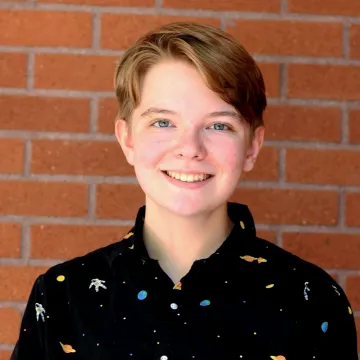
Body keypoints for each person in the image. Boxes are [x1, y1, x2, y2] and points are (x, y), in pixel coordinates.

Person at [11, 22, 358, 360]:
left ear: (252, 147)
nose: (190, 148)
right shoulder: (61, 297)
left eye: (218, 125)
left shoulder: (313, 301)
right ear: (127, 139)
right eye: (163, 122)